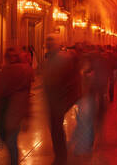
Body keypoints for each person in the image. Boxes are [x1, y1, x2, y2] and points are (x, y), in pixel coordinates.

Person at [43, 35, 81, 165]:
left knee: (57, 130)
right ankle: (59, 156)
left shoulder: (59, 58)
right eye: (48, 42)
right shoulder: (53, 57)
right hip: (55, 99)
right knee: (56, 129)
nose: (48, 44)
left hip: (58, 99)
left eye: (51, 42)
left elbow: (59, 79)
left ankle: (60, 158)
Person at [0, 48, 32, 165]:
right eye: (9, 56)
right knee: (7, 138)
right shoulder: (7, 70)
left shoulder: (21, 70)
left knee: (11, 139)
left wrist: (26, 115)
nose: (11, 58)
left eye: (13, 56)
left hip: (15, 110)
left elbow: (26, 97)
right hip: (7, 108)